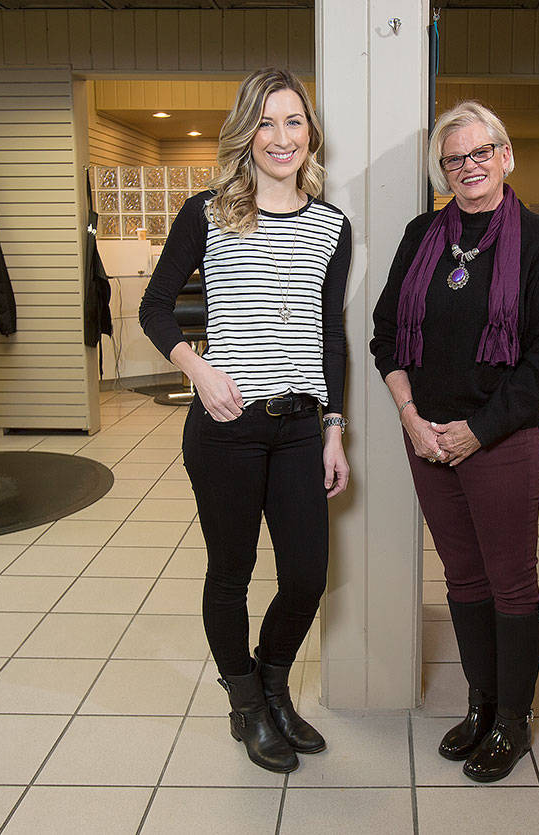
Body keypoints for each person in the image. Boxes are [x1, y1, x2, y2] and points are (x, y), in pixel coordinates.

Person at [140, 67, 351, 774]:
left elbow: (331, 335)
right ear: (246, 133)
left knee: (308, 576)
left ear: (309, 133)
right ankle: (245, 706)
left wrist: (333, 427)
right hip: (226, 427)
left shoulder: (331, 226)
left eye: (293, 121)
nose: (281, 137)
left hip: (298, 427)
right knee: (231, 571)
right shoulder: (208, 213)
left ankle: (271, 681)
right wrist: (196, 369)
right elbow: (154, 307)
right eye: (266, 122)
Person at [370, 100, 539, 783]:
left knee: (510, 580)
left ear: (506, 156)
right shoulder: (421, 235)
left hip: (501, 442)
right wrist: (409, 415)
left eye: (481, 153)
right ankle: (481, 705)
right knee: (462, 577)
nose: (469, 167)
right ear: (443, 170)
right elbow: (385, 335)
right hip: (427, 440)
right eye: (454, 158)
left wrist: (476, 431)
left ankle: (514, 720)